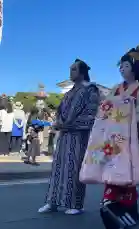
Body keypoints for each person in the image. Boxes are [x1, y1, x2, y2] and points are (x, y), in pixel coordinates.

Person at [100, 46, 139, 229]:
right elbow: (104, 109)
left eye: (125, 65)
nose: (121, 69)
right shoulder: (116, 89)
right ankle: (127, 215)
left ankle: (120, 218)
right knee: (115, 179)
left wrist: (126, 115)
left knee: (125, 180)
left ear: (135, 68)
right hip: (114, 141)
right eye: (121, 65)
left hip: (131, 141)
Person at [38, 59, 100, 215]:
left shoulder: (90, 90)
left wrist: (70, 125)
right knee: (58, 169)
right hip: (64, 135)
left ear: (82, 72)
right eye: (70, 69)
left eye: (73, 69)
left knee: (74, 169)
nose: (70, 72)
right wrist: (59, 123)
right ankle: (52, 202)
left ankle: (76, 204)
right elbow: (59, 112)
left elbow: (91, 114)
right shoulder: (69, 93)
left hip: (79, 136)